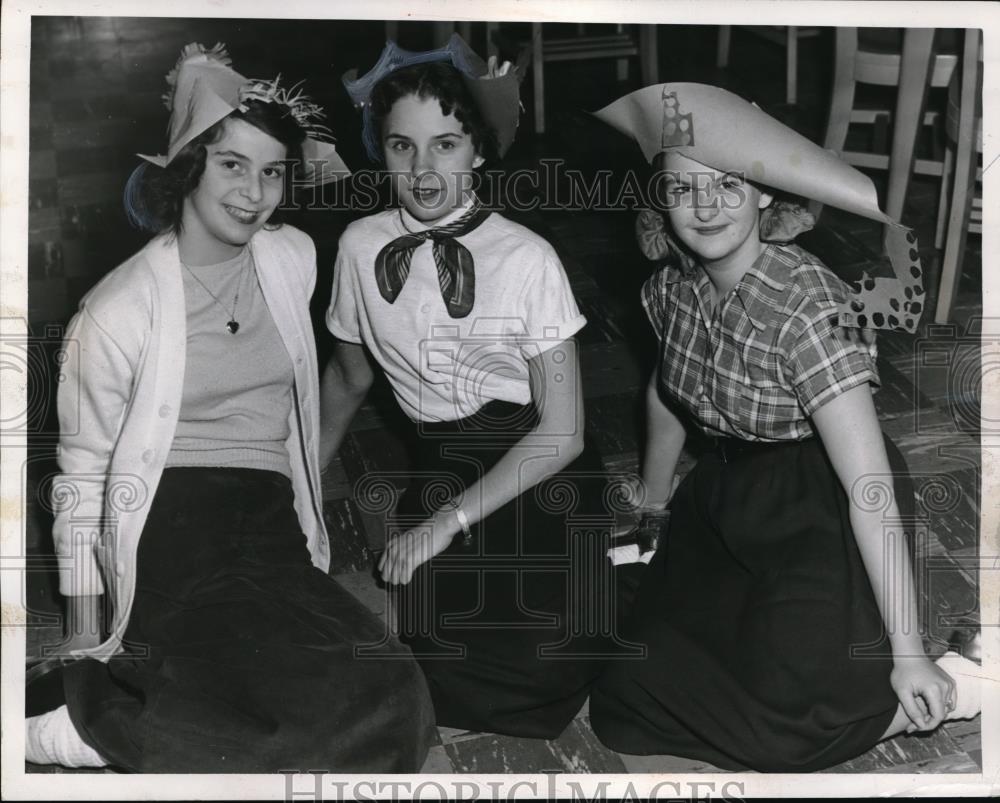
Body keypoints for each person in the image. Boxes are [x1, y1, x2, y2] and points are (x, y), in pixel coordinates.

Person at [25, 43, 434, 773]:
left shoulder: (293, 258)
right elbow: (81, 478)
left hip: (270, 518)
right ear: (189, 165)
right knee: (270, 728)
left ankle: (110, 726)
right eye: (233, 165)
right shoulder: (116, 311)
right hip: (170, 522)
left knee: (394, 693)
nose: (255, 192)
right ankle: (84, 723)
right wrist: (86, 633)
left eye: (272, 170)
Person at [588, 83, 983, 771]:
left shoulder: (809, 305)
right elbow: (666, 393)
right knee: (626, 695)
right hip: (727, 495)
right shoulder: (668, 288)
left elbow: (869, 488)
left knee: (789, 714)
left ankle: (966, 677)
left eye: (727, 185)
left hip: (822, 501)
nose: (706, 207)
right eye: (684, 189)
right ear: (661, 198)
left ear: (767, 192)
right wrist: (651, 511)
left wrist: (908, 651)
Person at [320, 34, 617, 739]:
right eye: (402, 147)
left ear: (478, 150)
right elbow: (349, 375)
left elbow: (563, 431)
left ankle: (618, 565)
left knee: (542, 674)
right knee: (439, 665)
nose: (423, 169)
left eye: (445, 145)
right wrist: (298, 482)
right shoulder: (360, 247)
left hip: (540, 470)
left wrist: (440, 525)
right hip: (442, 465)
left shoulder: (527, 258)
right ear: (380, 150)